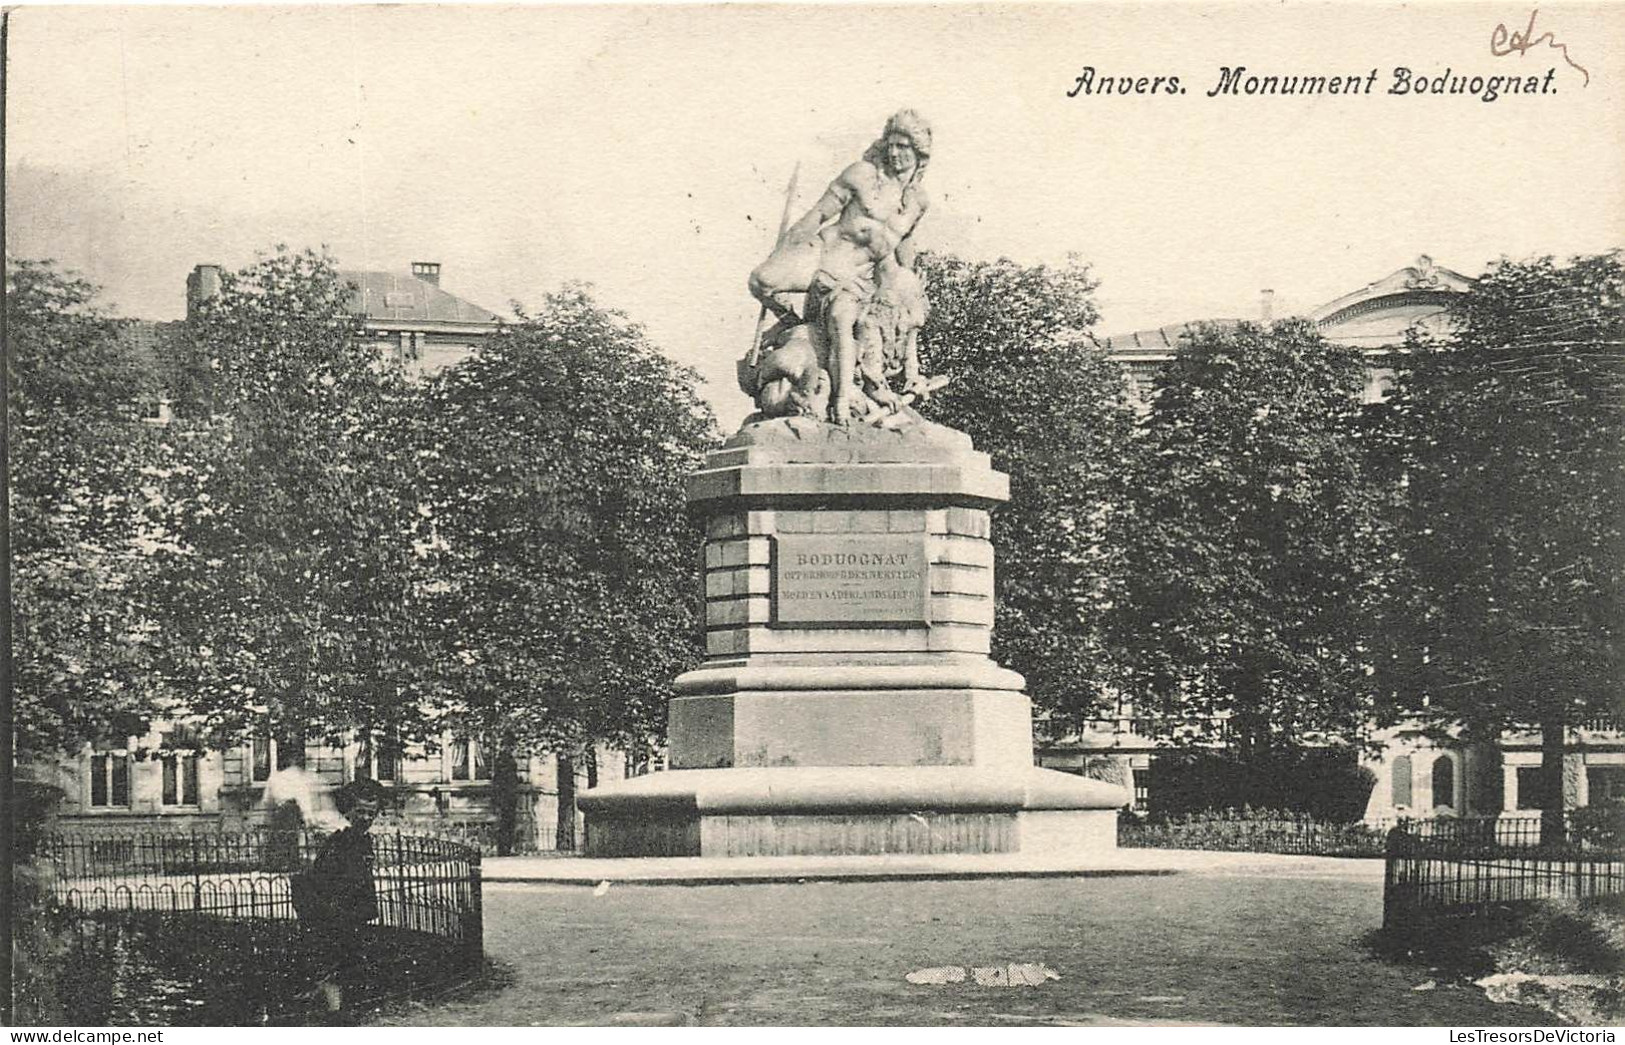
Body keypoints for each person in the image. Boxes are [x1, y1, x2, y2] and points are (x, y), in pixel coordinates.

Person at [748, 110, 934, 424]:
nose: (894, 152)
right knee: (761, 280)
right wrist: (787, 245)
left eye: (903, 146)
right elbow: (818, 215)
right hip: (822, 253)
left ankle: (843, 389)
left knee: (846, 319)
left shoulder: (919, 202)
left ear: (919, 152)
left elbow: (904, 248)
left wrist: (907, 293)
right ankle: (795, 321)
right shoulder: (862, 174)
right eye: (891, 144)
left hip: (857, 275)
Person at [307, 775, 383, 1020]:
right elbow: (323, 880)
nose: (366, 818)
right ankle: (335, 1016)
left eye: (371, 813)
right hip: (336, 916)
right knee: (335, 966)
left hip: (354, 916)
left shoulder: (363, 840)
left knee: (351, 966)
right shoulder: (338, 841)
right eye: (360, 811)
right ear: (348, 811)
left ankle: (341, 1012)